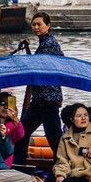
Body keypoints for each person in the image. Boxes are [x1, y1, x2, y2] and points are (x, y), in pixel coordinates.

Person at [18, 12, 64, 162]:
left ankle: (64, 168)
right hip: (40, 99)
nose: (36, 27)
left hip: (48, 99)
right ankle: (19, 164)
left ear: (48, 26)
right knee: (22, 132)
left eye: (40, 24)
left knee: (54, 137)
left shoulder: (50, 44)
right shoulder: (44, 43)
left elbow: (38, 66)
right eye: (34, 24)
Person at [0, 91, 25, 167]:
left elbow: (20, 135)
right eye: (2, 104)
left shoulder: (12, 124)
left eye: (8, 104)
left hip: (5, 163)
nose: (6, 107)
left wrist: (16, 120)